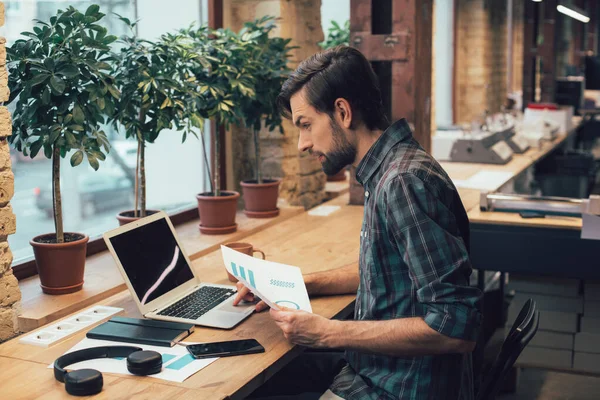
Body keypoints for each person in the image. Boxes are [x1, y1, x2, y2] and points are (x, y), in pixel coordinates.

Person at [234, 46, 482, 400]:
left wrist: (325, 332)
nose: (302, 144)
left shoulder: (402, 182)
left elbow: (456, 328)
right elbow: (389, 267)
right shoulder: (390, 167)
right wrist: (298, 284)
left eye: (305, 125)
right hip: (376, 372)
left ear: (342, 112)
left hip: (394, 388)